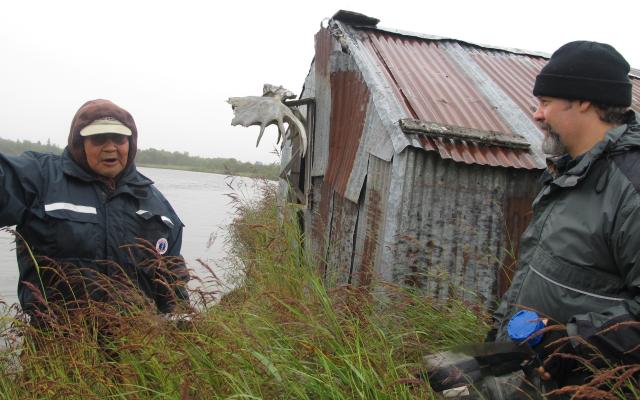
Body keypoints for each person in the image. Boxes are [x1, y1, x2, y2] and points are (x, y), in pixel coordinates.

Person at [487, 41, 640, 395]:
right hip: (534, 381)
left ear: (584, 100)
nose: (537, 115)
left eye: (545, 103)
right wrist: (500, 329)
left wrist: (572, 346)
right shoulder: (566, 173)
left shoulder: (629, 188)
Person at [0, 99, 189, 324]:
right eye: (98, 138)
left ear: (130, 142)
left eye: (119, 138)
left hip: (139, 349)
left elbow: (171, 281)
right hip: (60, 347)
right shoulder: (40, 177)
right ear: (80, 143)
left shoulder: (156, 204)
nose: (110, 147)